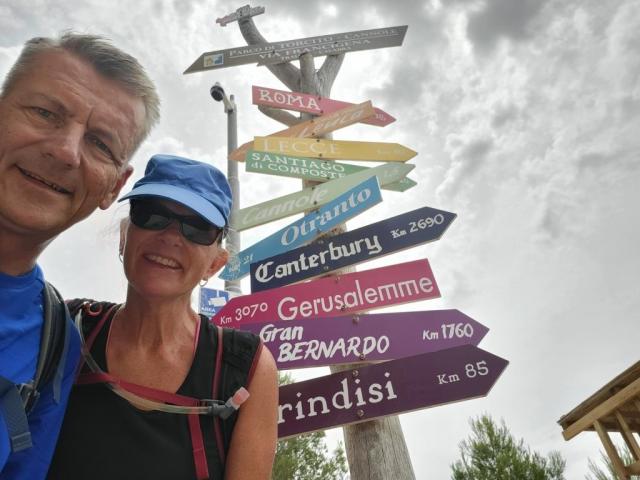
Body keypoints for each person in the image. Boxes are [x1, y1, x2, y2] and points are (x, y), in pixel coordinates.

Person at [48, 154, 279, 480]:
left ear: (215, 264)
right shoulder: (67, 326)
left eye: (197, 228)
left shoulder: (247, 368)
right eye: (152, 214)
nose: (170, 236)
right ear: (125, 236)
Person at [0, 32, 160, 478]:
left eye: (101, 144)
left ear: (114, 187)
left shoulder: (54, 346)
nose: (66, 152)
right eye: (44, 113)